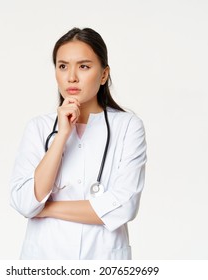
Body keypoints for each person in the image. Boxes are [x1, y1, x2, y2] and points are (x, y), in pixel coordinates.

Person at [10, 27, 147, 260]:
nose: (71, 77)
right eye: (63, 66)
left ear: (104, 75)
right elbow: (24, 201)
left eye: (84, 66)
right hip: (44, 259)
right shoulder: (39, 128)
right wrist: (62, 135)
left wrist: (45, 209)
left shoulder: (128, 126)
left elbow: (124, 206)